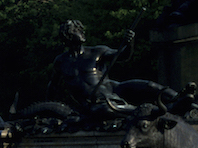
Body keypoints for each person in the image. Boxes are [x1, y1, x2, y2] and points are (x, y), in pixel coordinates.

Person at [48, 19, 177, 116]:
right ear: (67, 35)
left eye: (81, 29)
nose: (82, 32)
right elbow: (53, 87)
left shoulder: (97, 51)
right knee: (105, 109)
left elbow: (122, 55)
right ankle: (152, 112)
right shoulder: (61, 61)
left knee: (149, 86)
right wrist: (47, 108)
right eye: (77, 30)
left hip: (113, 89)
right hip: (94, 103)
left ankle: (179, 98)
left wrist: (129, 42)